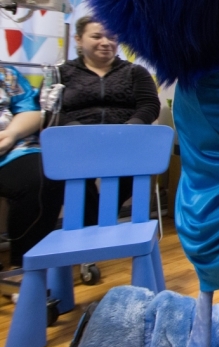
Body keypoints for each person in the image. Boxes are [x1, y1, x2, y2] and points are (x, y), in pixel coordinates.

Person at [56, 16, 161, 225]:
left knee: (131, 175)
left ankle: (95, 225)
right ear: (78, 39)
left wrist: (128, 129)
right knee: (76, 181)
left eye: (112, 37)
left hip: (124, 142)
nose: (106, 42)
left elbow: (149, 106)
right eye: (96, 36)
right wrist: (74, 129)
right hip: (77, 143)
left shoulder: (135, 72)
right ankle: (96, 228)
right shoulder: (62, 73)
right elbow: (53, 110)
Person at [0, 66, 63, 268]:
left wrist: (11, 135)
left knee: (45, 177)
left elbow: (30, 110)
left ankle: (25, 267)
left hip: (12, 148)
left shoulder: (6, 74)